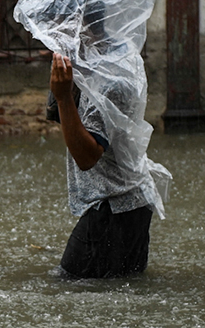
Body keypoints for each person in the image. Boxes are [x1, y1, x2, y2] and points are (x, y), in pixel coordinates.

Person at [47, 50, 154, 278]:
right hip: (128, 204)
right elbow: (62, 116)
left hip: (114, 207)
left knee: (65, 288)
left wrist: (64, 97)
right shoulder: (103, 61)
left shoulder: (109, 80)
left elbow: (87, 156)